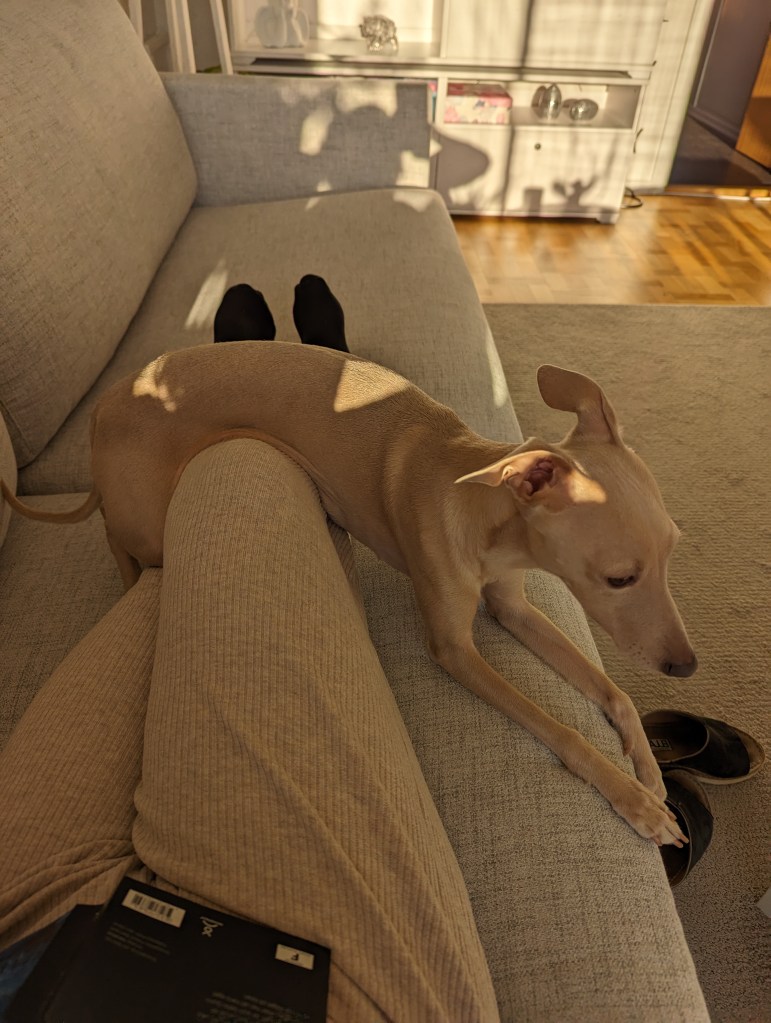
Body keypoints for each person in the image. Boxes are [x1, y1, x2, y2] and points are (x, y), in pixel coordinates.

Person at [0, 280, 499, 1021]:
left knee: (183, 557)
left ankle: (269, 382)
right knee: (250, 471)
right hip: (331, 991)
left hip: (22, 928)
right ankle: (314, 382)